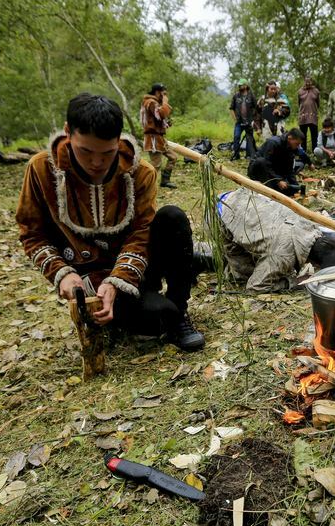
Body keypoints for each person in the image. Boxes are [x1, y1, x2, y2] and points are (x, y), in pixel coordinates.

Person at [16, 93, 205, 351]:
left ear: (118, 140)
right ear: (68, 132)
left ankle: (179, 313)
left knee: (172, 217)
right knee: (155, 316)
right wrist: (62, 274)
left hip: (134, 270)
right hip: (88, 277)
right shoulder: (41, 170)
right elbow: (32, 234)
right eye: (85, 151)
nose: (96, 162)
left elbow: (141, 232)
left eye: (107, 153)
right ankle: (136, 310)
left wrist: (118, 280)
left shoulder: (139, 172)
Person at [218, 188, 335, 291]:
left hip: (242, 196)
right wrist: (294, 282)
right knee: (243, 274)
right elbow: (255, 287)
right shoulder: (282, 255)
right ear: (316, 264)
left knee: (269, 262)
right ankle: (203, 256)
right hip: (222, 211)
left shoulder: (311, 225)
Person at [247, 128, 311, 197]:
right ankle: (267, 187)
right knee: (262, 161)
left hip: (273, 171)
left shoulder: (291, 148)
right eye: (297, 144)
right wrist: (278, 180)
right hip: (259, 169)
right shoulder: (273, 143)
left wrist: (296, 187)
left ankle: (274, 187)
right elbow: (267, 164)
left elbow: (289, 169)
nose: (298, 146)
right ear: (289, 138)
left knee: (288, 190)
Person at [140, 83, 177, 189]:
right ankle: (147, 185)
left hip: (159, 138)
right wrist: (165, 102)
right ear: (157, 92)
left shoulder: (155, 103)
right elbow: (161, 114)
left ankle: (165, 181)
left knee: (173, 157)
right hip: (153, 139)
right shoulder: (150, 102)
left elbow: (158, 119)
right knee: (156, 164)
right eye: (163, 93)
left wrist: (165, 124)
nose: (165, 95)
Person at [229, 79, 257, 160]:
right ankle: (236, 155)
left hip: (249, 121)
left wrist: (253, 119)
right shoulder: (236, 96)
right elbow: (231, 108)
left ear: (246, 85)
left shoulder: (251, 96)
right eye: (239, 85)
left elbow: (256, 108)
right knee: (236, 137)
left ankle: (248, 155)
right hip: (239, 122)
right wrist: (235, 119)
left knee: (249, 138)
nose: (239, 86)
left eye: (241, 85)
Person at [297, 76, 320, 152]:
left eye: (309, 82)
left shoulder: (316, 91)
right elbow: (299, 103)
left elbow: (318, 103)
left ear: (311, 82)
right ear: (304, 82)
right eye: (306, 82)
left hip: (313, 116)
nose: (308, 83)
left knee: (314, 136)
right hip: (303, 117)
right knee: (303, 136)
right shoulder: (300, 91)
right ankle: (303, 152)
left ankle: (315, 152)